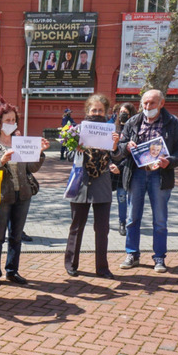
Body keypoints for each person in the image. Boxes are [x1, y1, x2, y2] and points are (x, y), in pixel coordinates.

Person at [118, 89, 178, 273]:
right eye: (145, 103)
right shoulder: (133, 121)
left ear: (162, 104)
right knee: (133, 217)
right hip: (137, 173)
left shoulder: (173, 123)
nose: (147, 107)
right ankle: (132, 254)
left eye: (152, 103)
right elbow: (119, 146)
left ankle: (159, 258)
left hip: (160, 175)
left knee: (160, 219)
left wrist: (170, 162)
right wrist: (126, 146)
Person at [0, 104, 49, 287]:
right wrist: (2, 161)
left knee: (16, 237)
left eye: (13, 120)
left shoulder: (20, 142)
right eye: (7, 120)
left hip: (22, 194)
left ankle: (12, 271)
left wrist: (40, 153)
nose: (11, 123)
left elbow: (30, 168)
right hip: (2, 196)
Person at [65, 93, 124, 278]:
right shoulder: (77, 129)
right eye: (94, 110)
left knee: (102, 229)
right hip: (81, 183)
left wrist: (115, 146)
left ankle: (102, 267)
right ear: (87, 111)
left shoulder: (111, 130)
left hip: (102, 184)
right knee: (76, 226)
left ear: (106, 112)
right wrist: (77, 150)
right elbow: (67, 156)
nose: (97, 113)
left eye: (100, 110)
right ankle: (71, 264)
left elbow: (119, 156)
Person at [111, 102, 137, 235]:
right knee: (104, 197)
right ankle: (102, 221)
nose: (122, 115)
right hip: (110, 169)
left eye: (125, 113)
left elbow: (132, 153)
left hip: (124, 169)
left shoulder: (134, 130)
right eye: (120, 112)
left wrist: (119, 167)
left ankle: (122, 222)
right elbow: (107, 148)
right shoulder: (112, 128)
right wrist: (111, 164)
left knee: (122, 197)